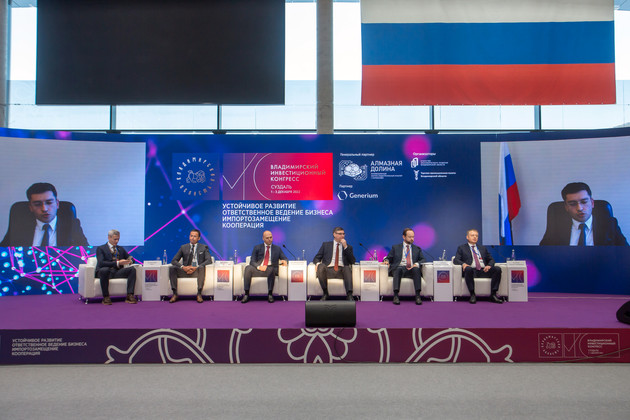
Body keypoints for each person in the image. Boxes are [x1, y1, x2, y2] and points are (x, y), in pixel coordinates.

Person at [0, 182, 88, 247]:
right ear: (30, 207)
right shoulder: (19, 226)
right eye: (37, 204)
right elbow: (3, 253)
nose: (44, 209)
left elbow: (85, 255)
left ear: (57, 204)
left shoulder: (71, 225)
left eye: (49, 203)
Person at [540, 182, 628, 246]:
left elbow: (625, 255)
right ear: (566, 207)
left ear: (592, 203)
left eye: (584, 202)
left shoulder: (609, 224)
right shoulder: (556, 227)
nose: (579, 208)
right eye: (573, 204)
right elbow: (542, 255)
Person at [453, 229, 503, 304]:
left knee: (497, 269)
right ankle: (472, 294)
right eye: (472, 235)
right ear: (467, 237)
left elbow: (491, 259)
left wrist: (489, 265)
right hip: (470, 271)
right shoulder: (462, 248)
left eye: (476, 236)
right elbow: (456, 260)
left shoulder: (482, 248)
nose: (475, 237)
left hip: (483, 270)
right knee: (468, 269)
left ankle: (493, 295)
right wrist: (463, 264)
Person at [241, 230, 288, 303]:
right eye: (267, 238)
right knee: (248, 268)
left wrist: (284, 261)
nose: (269, 239)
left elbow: (285, 259)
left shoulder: (277, 249)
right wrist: (259, 267)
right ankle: (246, 294)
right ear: (263, 238)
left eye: (271, 237)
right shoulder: (257, 247)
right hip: (259, 269)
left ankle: (270, 294)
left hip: (271, 270)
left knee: (271, 269)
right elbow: (252, 261)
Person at [383, 228, 426, 305]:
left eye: (413, 237)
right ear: (404, 237)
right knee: (398, 269)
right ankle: (396, 296)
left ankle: (418, 296)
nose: (412, 239)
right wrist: (386, 261)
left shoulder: (417, 249)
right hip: (399, 269)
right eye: (410, 237)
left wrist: (416, 264)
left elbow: (423, 259)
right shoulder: (396, 247)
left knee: (416, 269)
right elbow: (388, 258)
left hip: (411, 269)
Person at [168, 229, 213, 303]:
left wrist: (196, 267)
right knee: (172, 268)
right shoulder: (183, 247)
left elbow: (209, 260)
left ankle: (199, 294)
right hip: (185, 271)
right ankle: (175, 294)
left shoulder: (204, 247)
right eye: (191, 236)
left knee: (201, 268)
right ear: (189, 237)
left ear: (199, 238)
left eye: (195, 236)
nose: (192, 238)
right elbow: (174, 260)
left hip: (197, 271)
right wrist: (183, 267)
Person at [312, 226, 356, 301]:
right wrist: (318, 264)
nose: (342, 236)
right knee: (321, 266)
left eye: (343, 234)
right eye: (340, 234)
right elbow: (316, 258)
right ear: (334, 234)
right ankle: (325, 293)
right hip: (328, 270)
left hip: (342, 271)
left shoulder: (348, 247)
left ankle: (349, 295)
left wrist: (345, 247)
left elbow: (352, 261)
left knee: (347, 268)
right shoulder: (326, 245)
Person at [95, 229, 137, 305]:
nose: (117, 241)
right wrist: (118, 263)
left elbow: (131, 258)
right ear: (109, 237)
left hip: (116, 271)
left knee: (132, 270)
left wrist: (129, 261)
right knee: (104, 270)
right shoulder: (101, 248)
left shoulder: (120, 249)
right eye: (115, 239)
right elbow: (101, 263)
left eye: (118, 239)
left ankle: (130, 295)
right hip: (104, 272)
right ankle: (106, 297)